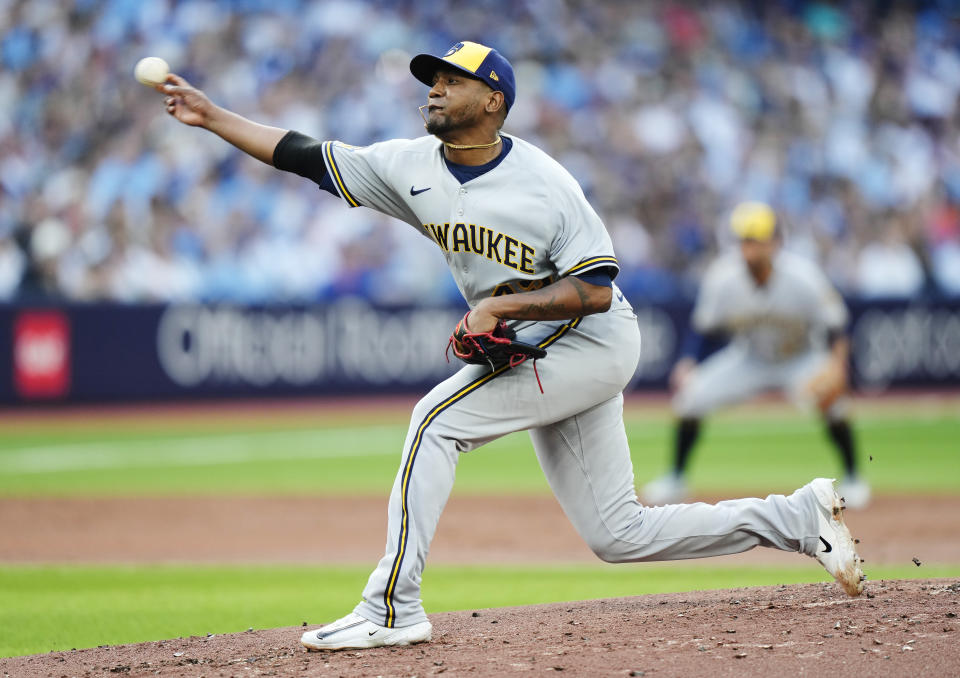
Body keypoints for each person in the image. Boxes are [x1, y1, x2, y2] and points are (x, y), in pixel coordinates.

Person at [159, 41, 865, 652]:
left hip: (591, 339)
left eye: (450, 80)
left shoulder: (545, 184)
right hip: (543, 351)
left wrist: (499, 304)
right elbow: (307, 156)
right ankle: (796, 516)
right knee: (618, 534)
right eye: (430, 79)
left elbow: (594, 287)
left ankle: (392, 609)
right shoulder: (411, 164)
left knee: (435, 422)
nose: (432, 88)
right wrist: (211, 115)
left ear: (493, 100)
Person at [643, 202, 870, 508]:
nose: (750, 248)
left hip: (799, 356)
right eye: (745, 240)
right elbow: (704, 329)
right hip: (749, 358)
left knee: (835, 402)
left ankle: (854, 477)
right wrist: (688, 362)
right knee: (690, 397)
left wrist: (836, 366)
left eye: (757, 240)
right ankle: (675, 478)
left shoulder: (803, 277)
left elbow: (837, 326)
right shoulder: (724, 277)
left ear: (777, 242)